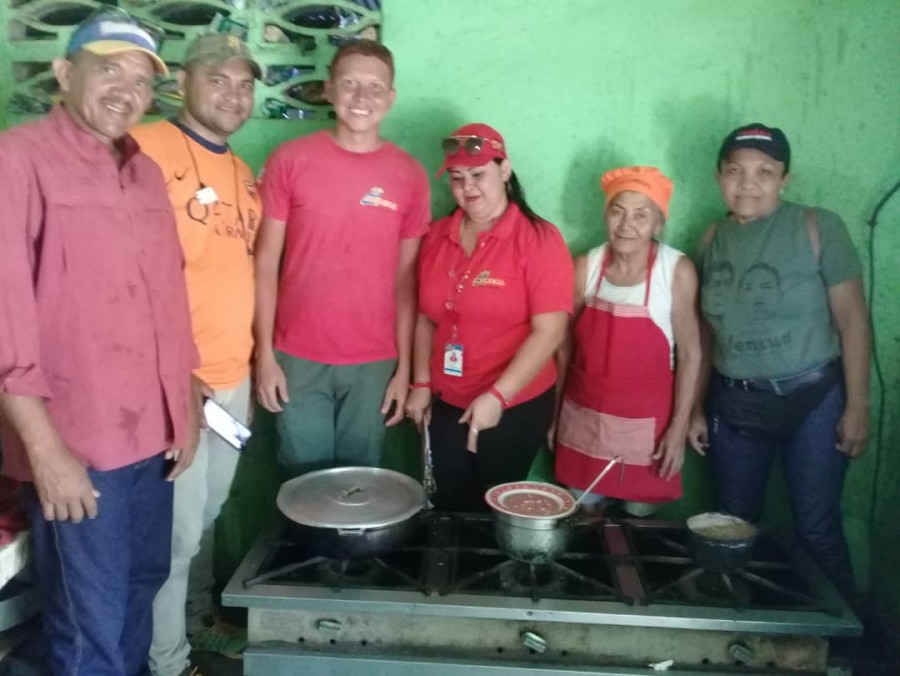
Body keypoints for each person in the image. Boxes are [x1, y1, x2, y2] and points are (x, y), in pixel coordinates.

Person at [0, 10, 198, 675]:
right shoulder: (17, 159)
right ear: (64, 72)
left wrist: (185, 404)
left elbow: (168, 298)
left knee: (141, 586)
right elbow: (5, 319)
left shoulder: (145, 173)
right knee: (90, 626)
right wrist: (45, 452)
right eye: (109, 69)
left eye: (141, 79)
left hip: (153, 439)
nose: (126, 90)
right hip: (80, 447)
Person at [688, 123, 870, 597]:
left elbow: (853, 321)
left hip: (814, 400)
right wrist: (695, 408)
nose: (748, 183)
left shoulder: (817, 226)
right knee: (732, 526)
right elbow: (705, 335)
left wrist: (857, 407)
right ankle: (740, 629)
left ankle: (851, 634)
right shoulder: (710, 240)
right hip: (735, 402)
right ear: (719, 176)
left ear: (784, 179)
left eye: (764, 172)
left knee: (815, 530)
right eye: (735, 171)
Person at [130, 33, 262, 676]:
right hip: (176, 382)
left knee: (208, 515)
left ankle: (197, 621)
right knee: (177, 533)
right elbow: (122, 271)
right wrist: (173, 371)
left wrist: (252, 365)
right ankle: (166, 660)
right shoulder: (145, 148)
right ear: (183, 83)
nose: (233, 95)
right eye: (218, 80)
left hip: (232, 379)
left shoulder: (243, 174)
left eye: (244, 84)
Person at [254, 39, 430, 478]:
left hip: (374, 362)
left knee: (359, 485)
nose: (362, 96)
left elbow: (406, 282)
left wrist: (403, 369)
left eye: (375, 87)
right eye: (350, 83)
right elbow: (265, 263)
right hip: (295, 356)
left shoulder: (409, 175)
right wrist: (265, 356)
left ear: (390, 99)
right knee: (302, 482)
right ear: (329, 89)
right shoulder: (290, 161)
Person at [405, 123, 573, 512]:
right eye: (457, 177)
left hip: (515, 403)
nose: (468, 187)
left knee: (495, 509)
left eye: (478, 174)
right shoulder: (437, 236)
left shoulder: (538, 239)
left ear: (505, 170)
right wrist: (421, 382)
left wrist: (499, 396)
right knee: (447, 505)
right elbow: (426, 318)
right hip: (446, 399)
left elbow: (549, 332)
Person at [554, 167, 701, 513]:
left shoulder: (675, 271)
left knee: (638, 518)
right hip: (584, 417)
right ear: (605, 215)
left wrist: (678, 428)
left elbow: (691, 355)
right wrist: (553, 414)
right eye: (617, 211)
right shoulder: (585, 267)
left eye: (641, 215)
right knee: (584, 514)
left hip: (648, 429)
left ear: (658, 224)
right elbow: (562, 348)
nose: (626, 225)